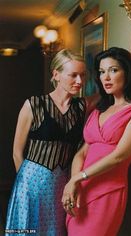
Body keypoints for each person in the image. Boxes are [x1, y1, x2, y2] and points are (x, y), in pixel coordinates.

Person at [62, 47, 131, 236]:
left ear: (127, 72)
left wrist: (78, 177)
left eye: (113, 70)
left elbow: (119, 157)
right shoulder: (98, 110)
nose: (106, 77)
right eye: (102, 72)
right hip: (81, 190)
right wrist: (73, 182)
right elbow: (82, 152)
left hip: (107, 191)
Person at [5, 49, 88, 235]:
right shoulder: (33, 104)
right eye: (73, 75)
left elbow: (118, 90)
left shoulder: (82, 107)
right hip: (31, 182)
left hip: (63, 183)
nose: (80, 81)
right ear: (56, 74)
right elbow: (17, 152)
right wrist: (25, 186)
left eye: (83, 75)